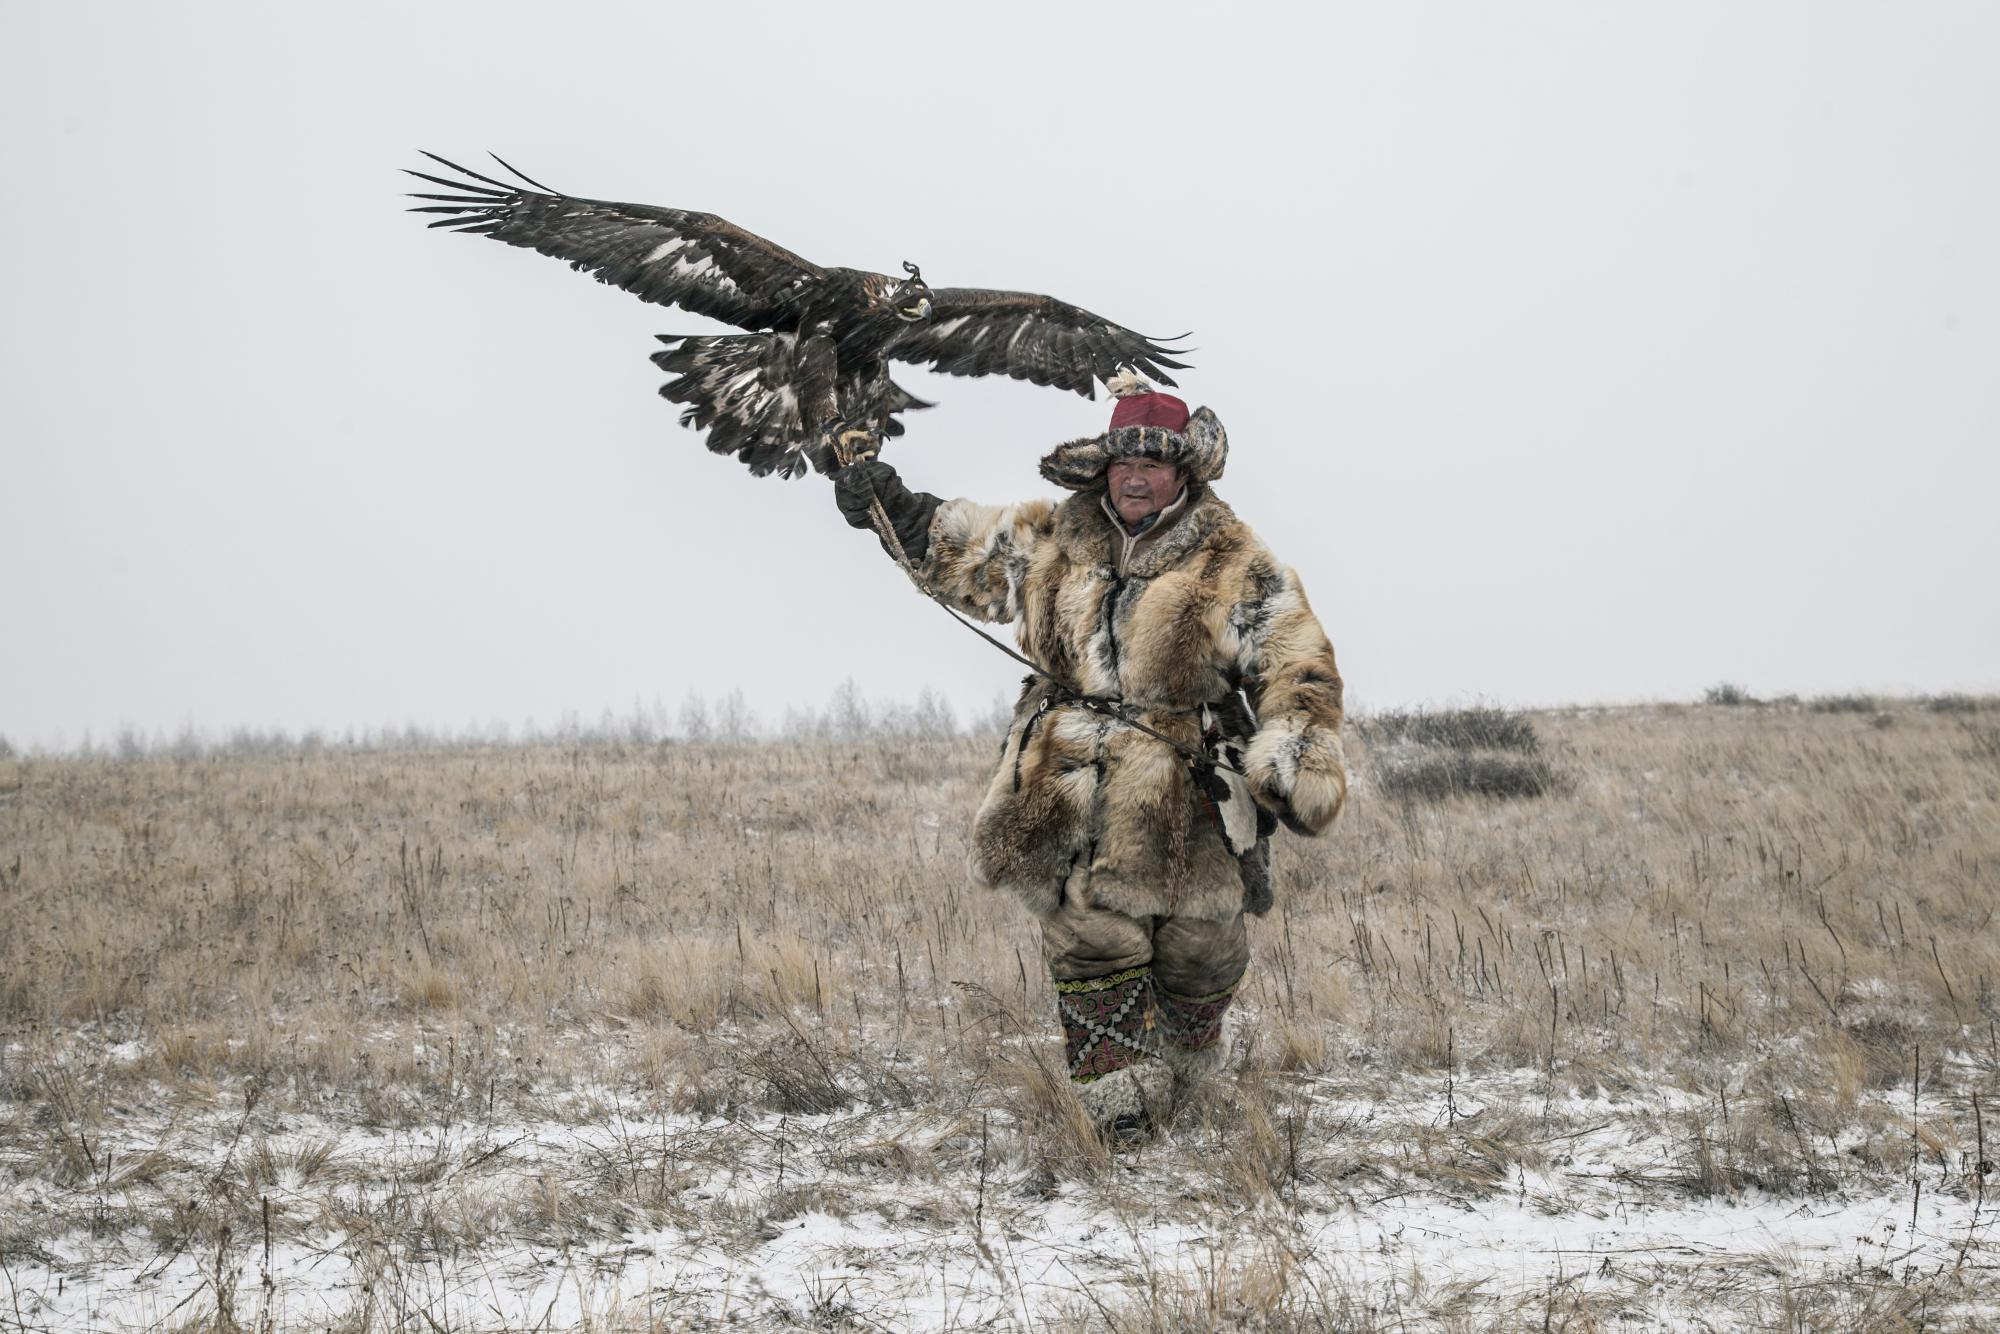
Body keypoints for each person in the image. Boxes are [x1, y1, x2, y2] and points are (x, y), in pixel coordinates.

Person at [832, 376, 1347, 1141]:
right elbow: (961, 551)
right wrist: (886, 504)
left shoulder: (1235, 559)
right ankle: (1120, 1120)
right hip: (1065, 778)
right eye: (1122, 462)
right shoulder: (1051, 537)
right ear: (1103, 468)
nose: (1135, 477)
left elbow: (1295, 662)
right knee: (1093, 942)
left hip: (1188, 783)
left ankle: (1181, 1075)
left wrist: (1296, 755)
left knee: (1200, 953)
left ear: (1185, 474)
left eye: (1155, 464)